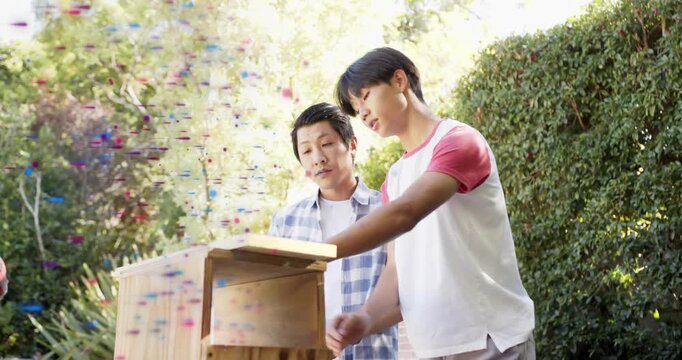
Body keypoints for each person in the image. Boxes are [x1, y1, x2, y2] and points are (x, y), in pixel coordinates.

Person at [325, 47, 536, 359]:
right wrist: (366, 318)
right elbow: (396, 269)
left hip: (489, 341)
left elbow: (406, 212)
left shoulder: (458, 141)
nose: (363, 113)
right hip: (432, 349)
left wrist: (317, 254)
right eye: (356, 108)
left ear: (399, 80)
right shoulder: (394, 178)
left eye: (365, 96)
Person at [268, 102, 397, 360]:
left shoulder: (389, 212)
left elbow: (405, 296)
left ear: (352, 145)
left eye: (326, 144)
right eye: (306, 151)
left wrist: (363, 324)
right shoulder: (287, 222)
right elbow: (276, 301)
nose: (317, 158)